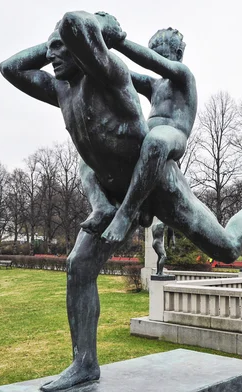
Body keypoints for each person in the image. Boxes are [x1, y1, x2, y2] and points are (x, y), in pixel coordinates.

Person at [0, 11, 242, 391]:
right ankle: (84, 363)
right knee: (79, 265)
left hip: (156, 182)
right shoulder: (62, 90)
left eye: (59, 50)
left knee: (228, 248)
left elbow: (74, 24)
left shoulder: (110, 74)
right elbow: (10, 67)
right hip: (115, 191)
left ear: (86, 51)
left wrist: (107, 31)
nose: (51, 58)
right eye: (50, 51)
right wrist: (53, 44)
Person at [99, 27, 197, 246]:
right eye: (155, 54)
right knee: (99, 148)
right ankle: (104, 205)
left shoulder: (183, 76)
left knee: (156, 141)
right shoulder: (155, 85)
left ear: (178, 55)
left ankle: (126, 213)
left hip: (173, 136)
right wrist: (98, 49)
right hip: (147, 138)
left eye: (162, 55)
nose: (157, 60)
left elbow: (152, 62)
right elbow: (121, 73)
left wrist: (119, 41)